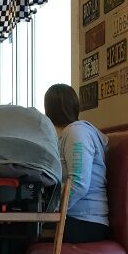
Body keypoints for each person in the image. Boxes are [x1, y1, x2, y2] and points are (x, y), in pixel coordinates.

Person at [44, 83, 109, 244]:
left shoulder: (76, 133)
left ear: (49, 110)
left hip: (85, 222)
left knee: (15, 232)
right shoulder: (67, 134)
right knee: (13, 229)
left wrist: (51, 211)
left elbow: (79, 184)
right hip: (76, 218)